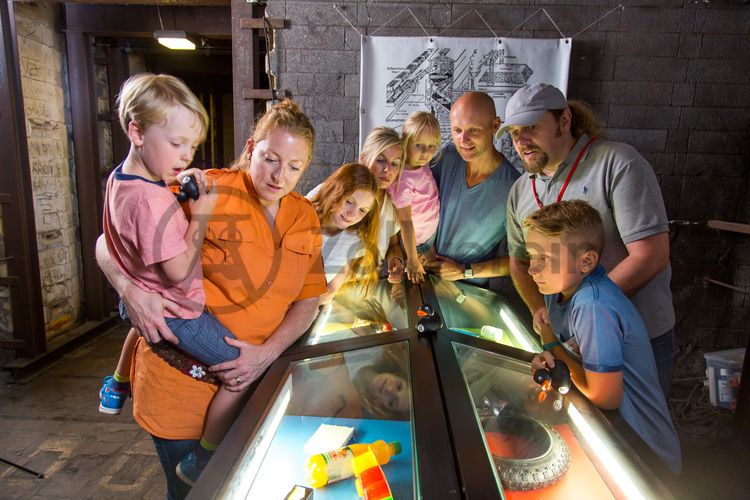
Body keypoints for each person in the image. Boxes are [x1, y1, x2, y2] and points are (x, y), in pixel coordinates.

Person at [95, 98, 326, 499]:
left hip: (251, 390)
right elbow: (109, 239)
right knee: (191, 493)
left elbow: (308, 300)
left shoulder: (304, 215)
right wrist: (129, 289)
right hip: (180, 389)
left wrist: (267, 353)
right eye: (271, 159)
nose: (279, 176)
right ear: (251, 148)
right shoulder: (203, 190)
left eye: (294, 167)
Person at [96, 73, 257, 487]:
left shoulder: (124, 179)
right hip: (180, 313)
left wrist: (179, 190)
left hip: (145, 296)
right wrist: (200, 215)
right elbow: (180, 270)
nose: (185, 156)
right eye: (175, 144)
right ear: (136, 131)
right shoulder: (149, 200)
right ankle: (203, 461)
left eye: (191, 146)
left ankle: (116, 382)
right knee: (243, 372)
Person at [504, 82, 676, 397]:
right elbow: (519, 261)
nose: (522, 141)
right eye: (514, 133)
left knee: (640, 437)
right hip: (571, 344)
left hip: (636, 339)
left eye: (531, 127)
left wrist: (586, 314)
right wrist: (538, 312)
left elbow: (650, 254)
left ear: (564, 121)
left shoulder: (617, 163)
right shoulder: (520, 191)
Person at [524, 200, 681, 474]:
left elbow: (603, 395)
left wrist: (549, 343)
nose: (531, 269)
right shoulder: (557, 290)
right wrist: (552, 359)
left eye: (545, 259)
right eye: (531, 256)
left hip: (645, 456)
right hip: (611, 432)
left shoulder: (592, 304)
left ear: (586, 261)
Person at [425, 91, 520, 286]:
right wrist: (421, 248)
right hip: (426, 281)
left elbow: (521, 261)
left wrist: (464, 271)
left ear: (495, 126)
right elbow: (417, 205)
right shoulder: (448, 156)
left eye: (473, 130)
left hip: (471, 293)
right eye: (457, 130)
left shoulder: (515, 188)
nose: (463, 140)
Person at [306, 163, 381, 303]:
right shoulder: (305, 211)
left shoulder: (355, 240)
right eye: (349, 202)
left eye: (362, 210)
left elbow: (331, 290)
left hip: (307, 309)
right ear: (335, 192)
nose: (352, 214)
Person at [387, 111, 441, 284]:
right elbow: (405, 221)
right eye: (419, 145)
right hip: (417, 242)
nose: (426, 152)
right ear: (405, 143)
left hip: (429, 235)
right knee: (419, 278)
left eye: (431, 146)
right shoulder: (404, 181)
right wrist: (411, 258)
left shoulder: (419, 165)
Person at [357, 126, 407, 288]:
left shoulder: (393, 206)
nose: (387, 170)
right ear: (363, 158)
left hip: (366, 288)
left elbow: (393, 244)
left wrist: (396, 260)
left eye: (395, 164)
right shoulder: (336, 191)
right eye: (380, 160)